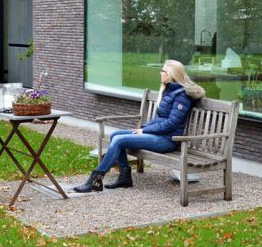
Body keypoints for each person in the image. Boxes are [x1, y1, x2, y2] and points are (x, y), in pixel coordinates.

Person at [73, 59, 206, 193]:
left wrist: (144, 130)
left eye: (163, 71)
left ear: (171, 74)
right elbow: (160, 118)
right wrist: (144, 129)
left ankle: (96, 179)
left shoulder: (182, 96)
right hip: (158, 135)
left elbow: (171, 124)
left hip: (168, 140)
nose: (160, 73)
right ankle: (124, 177)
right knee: (115, 135)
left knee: (119, 140)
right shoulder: (170, 90)